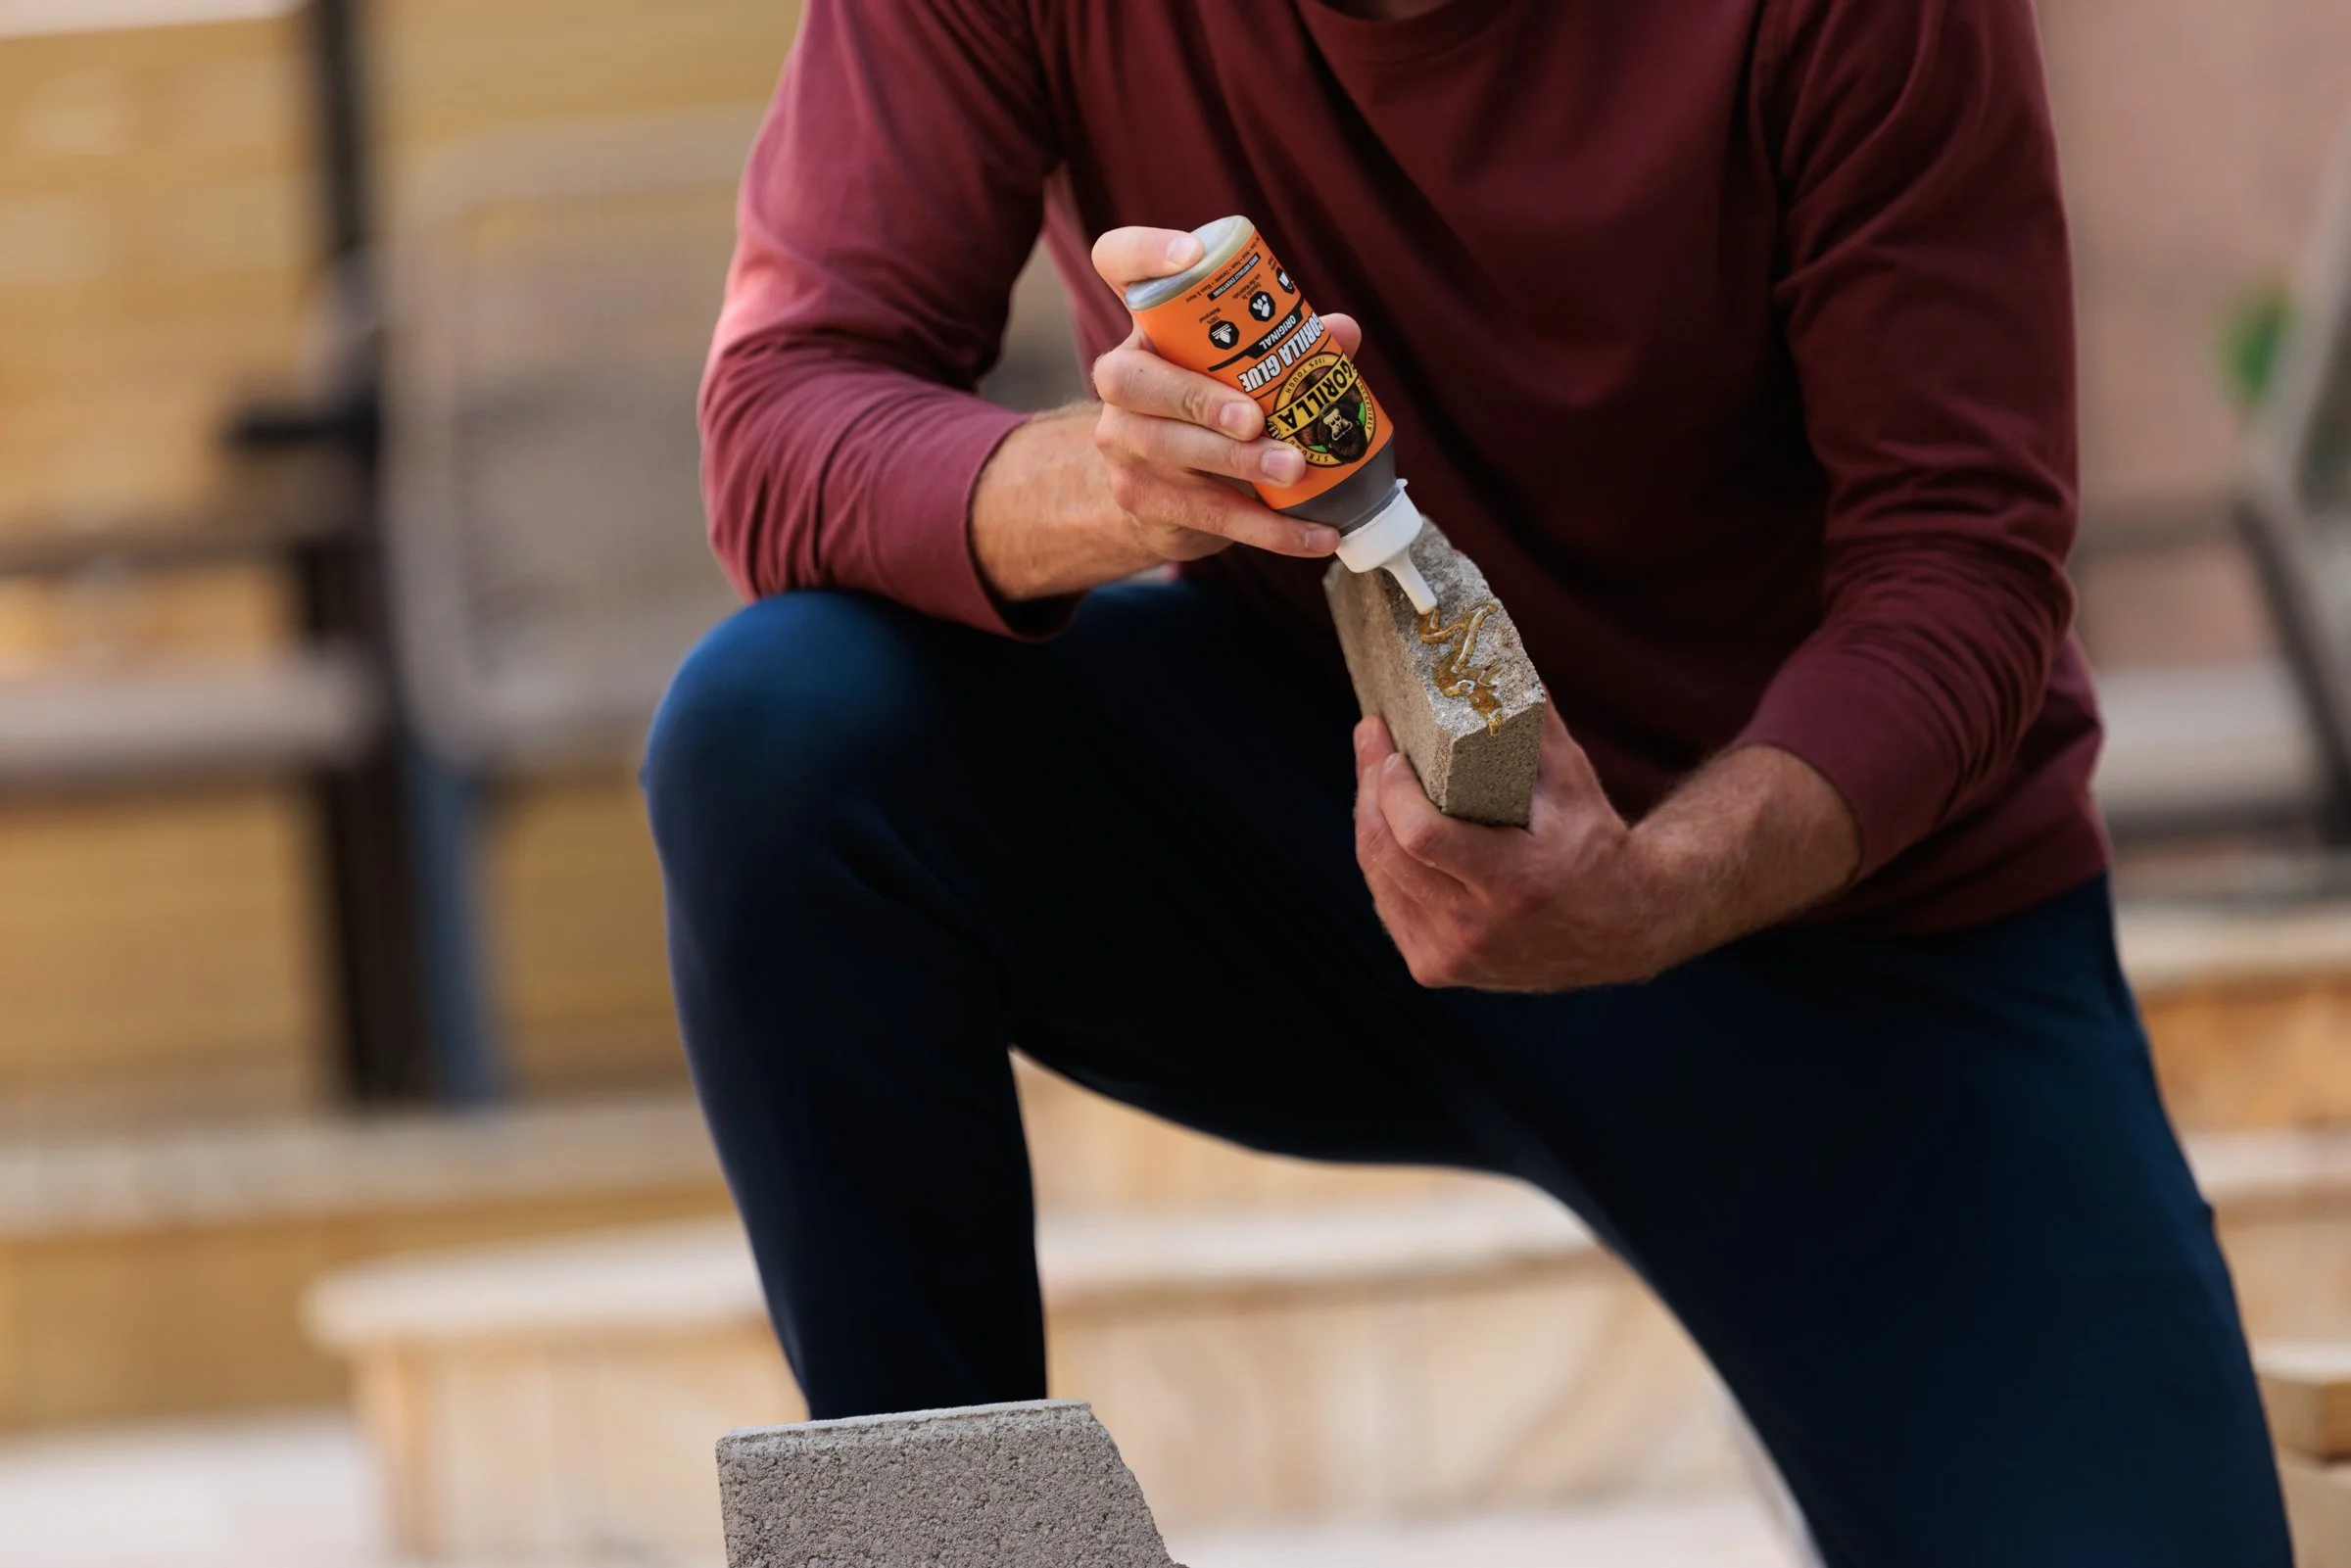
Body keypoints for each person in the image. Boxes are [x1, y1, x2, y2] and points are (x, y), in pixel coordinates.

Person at [642, 2, 2292, 1561]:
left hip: (1850, 935)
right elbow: (783, 409)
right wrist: (1126, 486)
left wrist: (1657, 889)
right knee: (784, 738)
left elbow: (1961, 570)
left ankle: (1843, 1361)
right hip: (1317, 812)